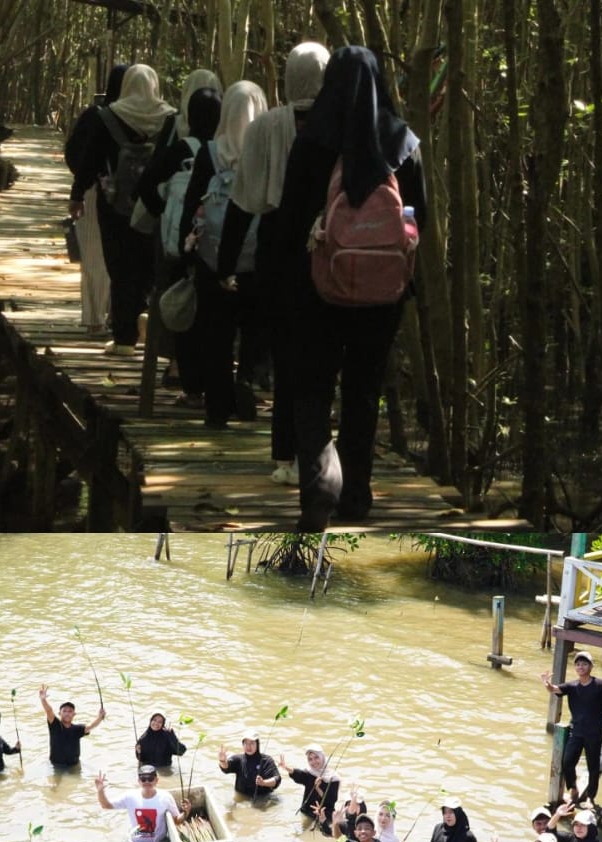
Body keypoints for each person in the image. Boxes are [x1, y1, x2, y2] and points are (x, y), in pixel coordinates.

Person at [277, 46, 426, 530]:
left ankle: (320, 488)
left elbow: (288, 221)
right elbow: (417, 221)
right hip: (383, 295)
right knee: (363, 390)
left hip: (315, 288)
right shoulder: (403, 144)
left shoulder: (314, 139)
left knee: (313, 387)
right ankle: (357, 496)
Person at [218, 42, 331, 480]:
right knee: (318, 353)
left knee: (286, 353)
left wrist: (226, 262)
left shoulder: (265, 127)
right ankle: (313, 452)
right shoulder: (337, 126)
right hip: (324, 246)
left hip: (275, 247)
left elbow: (242, 201)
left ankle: (285, 455)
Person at [68, 64, 176, 353]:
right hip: (154, 204)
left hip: (114, 204)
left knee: (120, 266)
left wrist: (77, 196)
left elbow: (90, 159)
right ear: (154, 85)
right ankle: (148, 325)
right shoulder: (169, 118)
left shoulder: (109, 116)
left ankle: (125, 337)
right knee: (148, 264)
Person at [180, 80, 269, 428]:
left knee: (215, 333)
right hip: (257, 261)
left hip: (213, 258)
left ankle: (217, 406)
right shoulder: (267, 152)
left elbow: (191, 203)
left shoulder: (211, 153)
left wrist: (185, 252)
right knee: (255, 328)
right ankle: (247, 379)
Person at [134, 79, 222, 401]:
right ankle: (215, 384)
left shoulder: (181, 149)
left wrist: (161, 215)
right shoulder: (227, 149)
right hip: (218, 247)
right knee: (213, 315)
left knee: (184, 310)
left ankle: (190, 385)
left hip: (180, 243)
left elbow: (144, 186)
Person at [64, 65, 127, 333]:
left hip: (91, 190)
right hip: (127, 196)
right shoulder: (140, 117)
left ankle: (94, 320)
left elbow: (72, 151)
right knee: (121, 256)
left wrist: (81, 184)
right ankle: (119, 317)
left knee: (93, 257)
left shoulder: (95, 115)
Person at [541, 649, 602, 804]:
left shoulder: (600, 685)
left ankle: (591, 798)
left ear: (591, 666)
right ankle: (573, 788)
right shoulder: (572, 685)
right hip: (577, 731)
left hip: (594, 733)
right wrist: (547, 683)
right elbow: (555, 689)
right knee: (567, 762)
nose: (581, 667)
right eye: (578, 664)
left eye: (584, 664)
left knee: (593, 767)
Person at [95, 765, 189, 842]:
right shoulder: (130, 797)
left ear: (156, 780)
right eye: (143, 779)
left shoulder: (165, 797)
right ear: (139, 781)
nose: (147, 782)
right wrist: (100, 791)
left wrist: (186, 811)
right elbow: (106, 805)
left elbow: (177, 821)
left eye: (150, 778)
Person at [39, 685, 106, 768]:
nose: (67, 713)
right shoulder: (55, 725)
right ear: (60, 713)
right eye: (64, 711)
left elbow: (91, 726)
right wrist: (43, 700)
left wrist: (99, 717)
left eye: (70, 711)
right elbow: (49, 711)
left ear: (74, 714)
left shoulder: (77, 729)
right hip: (56, 765)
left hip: (74, 766)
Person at [279, 745, 340, 829]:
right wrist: (286, 768)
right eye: (310, 759)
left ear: (322, 757)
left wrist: (318, 788)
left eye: (316, 757)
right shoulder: (309, 773)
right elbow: (299, 775)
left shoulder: (333, 778)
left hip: (324, 816)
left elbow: (331, 800)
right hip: (307, 812)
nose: (313, 762)